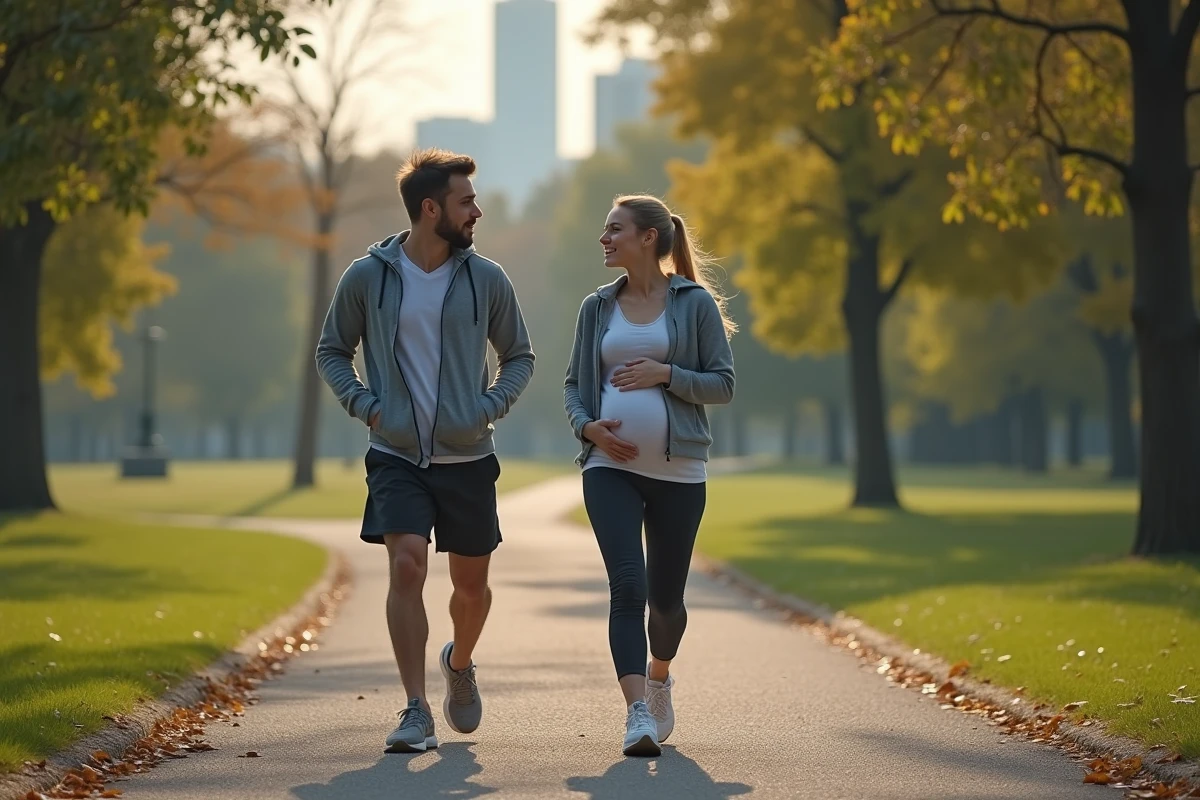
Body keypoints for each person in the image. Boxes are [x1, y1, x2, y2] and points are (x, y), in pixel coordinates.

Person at [316, 149, 534, 753]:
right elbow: (332, 351)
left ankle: (459, 662)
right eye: (466, 202)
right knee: (406, 564)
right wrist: (367, 406)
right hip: (396, 453)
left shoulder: (486, 278)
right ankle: (414, 708)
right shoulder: (368, 276)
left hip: (467, 456)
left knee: (471, 587)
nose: (477, 211)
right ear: (431, 208)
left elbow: (520, 356)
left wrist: (486, 409)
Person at [563, 194, 736, 757]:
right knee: (627, 587)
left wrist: (667, 374)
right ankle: (636, 711)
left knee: (665, 603)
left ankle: (660, 676)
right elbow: (572, 385)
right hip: (609, 467)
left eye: (614, 229)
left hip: (680, 471)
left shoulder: (694, 303)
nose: (604, 238)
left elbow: (723, 384)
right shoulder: (597, 307)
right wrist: (588, 429)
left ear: (648, 238)